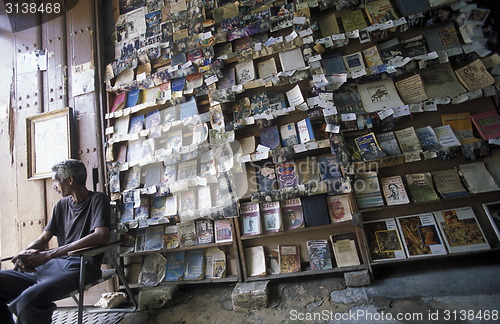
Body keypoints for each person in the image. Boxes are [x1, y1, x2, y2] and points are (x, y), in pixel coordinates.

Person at [0, 159, 111, 324]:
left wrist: (50, 254)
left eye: (55, 181)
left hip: (81, 266)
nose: (54, 186)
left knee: (28, 301)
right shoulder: (62, 205)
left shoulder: (97, 199)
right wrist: (26, 252)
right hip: (52, 266)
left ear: (70, 180)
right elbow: (44, 238)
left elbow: (101, 235)